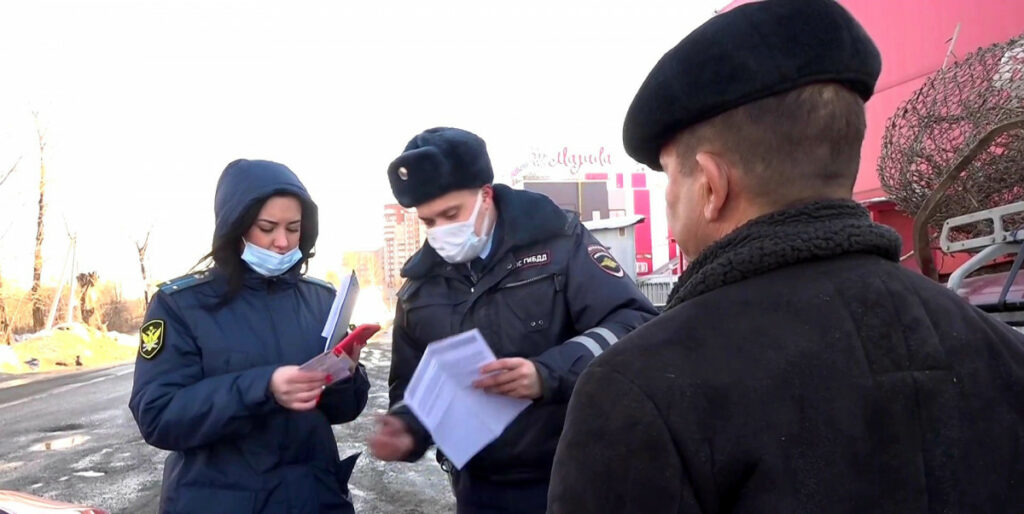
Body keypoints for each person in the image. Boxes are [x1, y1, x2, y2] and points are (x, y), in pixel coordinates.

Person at [548, 1, 1024, 512]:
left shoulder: (635, 393)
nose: (667, 199)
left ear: (711, 183)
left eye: (668, 175)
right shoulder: (1003, 353)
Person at [368, 127, 658, 513]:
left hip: (576, 476)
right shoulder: (418, 291)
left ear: (485, 195)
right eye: (429, 221)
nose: (441, 232)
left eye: (451, 214)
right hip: (479, 491)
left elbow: (634, 322)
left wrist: (546, 374)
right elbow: (414, 391)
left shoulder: (559, 242)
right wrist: (405, 429)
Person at [128, 159, 370, 514]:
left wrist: (345, 375)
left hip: (313, 498)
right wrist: (263, 388)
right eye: (267, 228)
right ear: (236, 226)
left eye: (294, 227)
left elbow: (345, 410)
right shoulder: (181, 305)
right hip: (219, 502)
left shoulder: (321, 299)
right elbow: (158, 415)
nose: (282, 242)